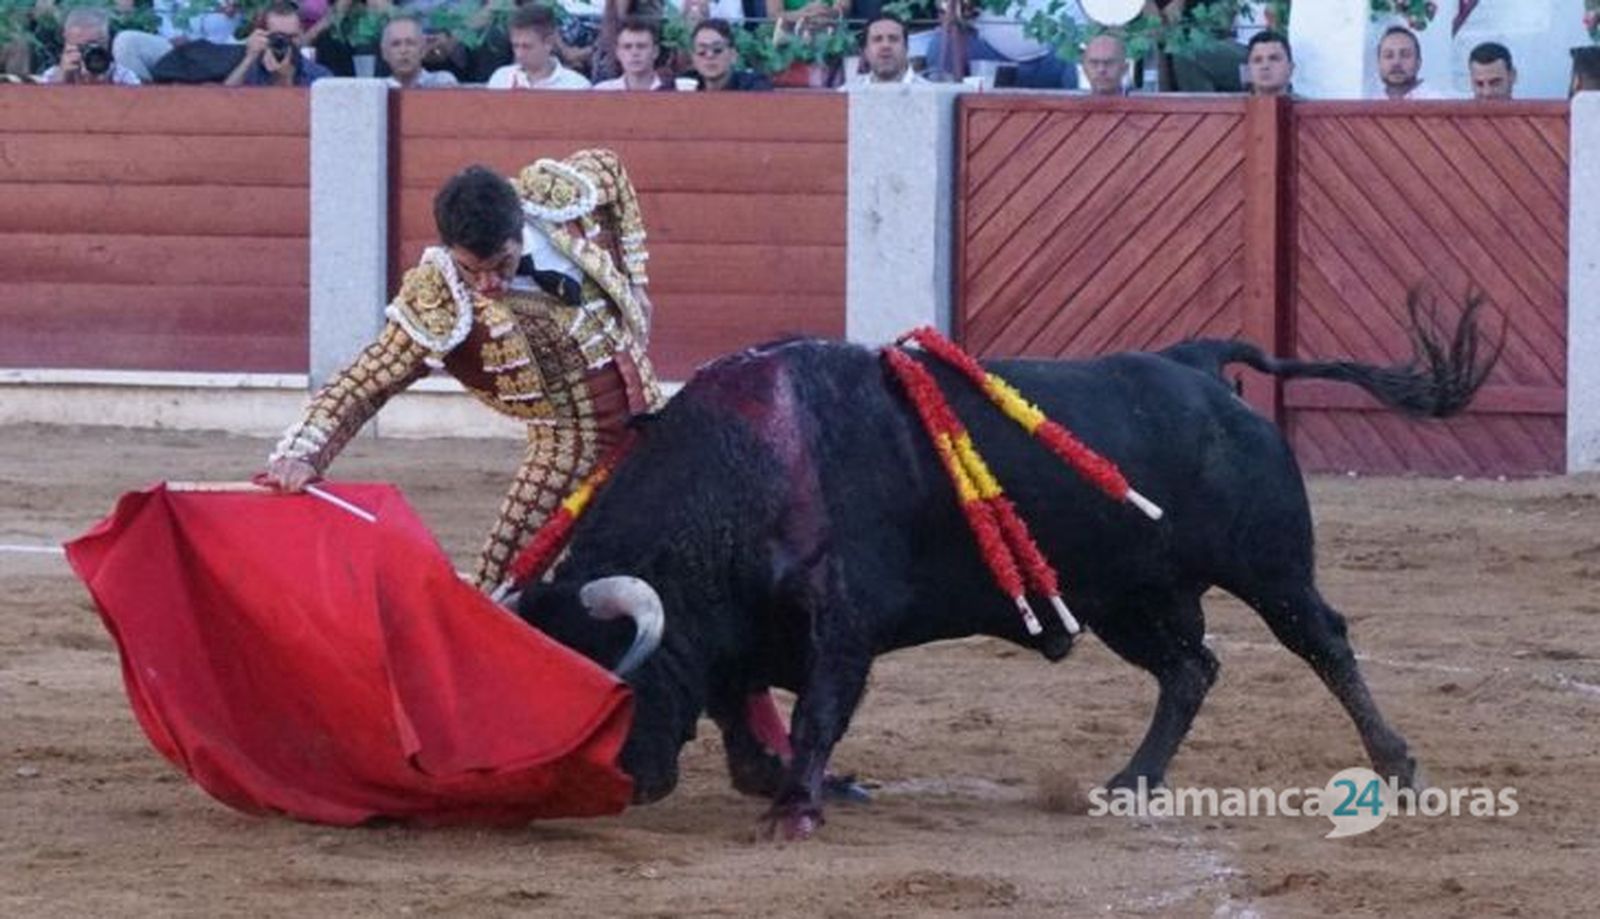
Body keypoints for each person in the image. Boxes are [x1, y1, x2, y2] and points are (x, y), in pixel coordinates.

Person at [264, 150, 659, 593]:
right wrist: (302, 452)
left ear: (520, 227)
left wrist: (637, 280)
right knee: (501, 581)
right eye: (472, 270)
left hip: (653, 413)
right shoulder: (441, 295)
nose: (488, 284)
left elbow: (610, 170)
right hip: (570, 441)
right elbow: (367, 379)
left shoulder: (553, 199)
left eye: (502, 264)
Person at [223, 0, 333, 86]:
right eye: (279, 37)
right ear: (263, 35)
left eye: (292, 37)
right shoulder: (252, 69)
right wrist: (250, 57)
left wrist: (285, 79)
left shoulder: (320, 76)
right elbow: (224, 99)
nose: (287, 43)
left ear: (301, 33)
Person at [486, 3, 591, 89]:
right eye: (515, 46)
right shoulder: (501, 79)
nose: (519, 54)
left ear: (549, 43)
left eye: (526, 47)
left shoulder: (576, 86)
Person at [40, 7, 141, 84]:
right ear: (66, 44)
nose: (88, 53)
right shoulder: (53, 75)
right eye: (80, 47)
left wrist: (104, 85)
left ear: (107, 42)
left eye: (94, 46)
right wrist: (60, 81)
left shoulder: (123, 76)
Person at [683, 18, 772, 91]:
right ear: (693, 58)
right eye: (702, 51)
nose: (709, 55)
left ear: (733, 55)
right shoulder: (683, 84)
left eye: (717, 50)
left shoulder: (754, 86)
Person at [1371, 24, 1447, 100]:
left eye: (1405, 55)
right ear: (1378, 63)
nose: (1396, 62)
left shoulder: (1437, 101)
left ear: (1418, 63)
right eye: (1389, 56)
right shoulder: (1370, 103)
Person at [381, 14, 458, 87]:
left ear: (422, 50)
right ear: (384, 53)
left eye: (410, 43)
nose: (403, 50)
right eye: (396, 44)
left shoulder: (441, 81)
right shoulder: (379, 88)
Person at [847, 13, 924, 85]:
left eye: (893, 39)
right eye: (877, 39)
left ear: (906, 48)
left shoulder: (929, 92)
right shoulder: (847, 93)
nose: (886, 45)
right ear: (865, 51)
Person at [592, 15, 665, 90]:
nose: (634, 53)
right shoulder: (602, 91)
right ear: (618, 53)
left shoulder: (672, 90)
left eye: (641, 46)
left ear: (655, 52)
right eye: (627, 47)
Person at [1245, 28, 1293, 97]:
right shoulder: (1231, 103)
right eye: (1257, 60)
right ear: (1248, 70)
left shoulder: (1307, 103)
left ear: (1290, 68)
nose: (1265, 66)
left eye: (1274, 59)